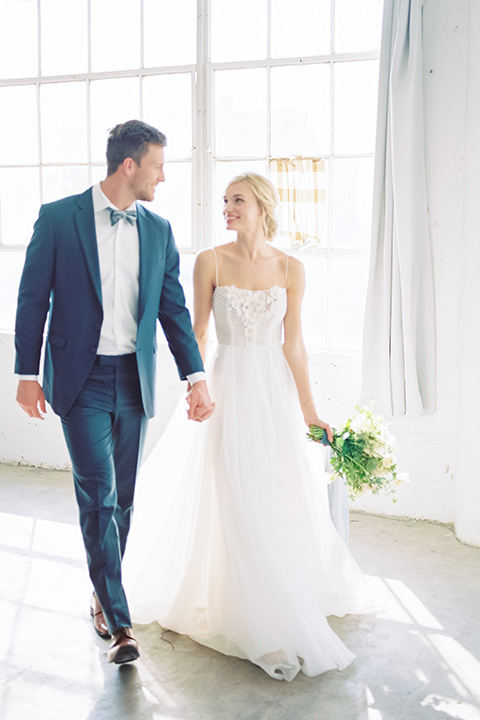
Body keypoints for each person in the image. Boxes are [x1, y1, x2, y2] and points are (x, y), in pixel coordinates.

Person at [123, 172, 381, 681]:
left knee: (270, 492)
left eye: (237, 200)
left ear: (263, 206)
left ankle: (275, 592)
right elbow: (195, 331)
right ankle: (249, 614)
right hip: (227, 387)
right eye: (224, 202)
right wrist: (194, 387)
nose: (227, 208)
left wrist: (309, 411)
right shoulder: (210, 260)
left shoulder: (292, 268)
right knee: (232, 492)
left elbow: (294, 346)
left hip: (273, 393)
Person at [14, 120, 214, 665]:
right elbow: (32, 299)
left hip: (134, 379)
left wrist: (195, 377)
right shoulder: (59, 218)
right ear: (129, 166)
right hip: (80, 380)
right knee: (97, 494)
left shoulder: (159, 229)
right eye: (157, 166)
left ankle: (103, 595)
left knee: (122, 500)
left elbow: (173, 310)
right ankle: (121, 626)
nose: (163, 177)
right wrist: (25, 373)